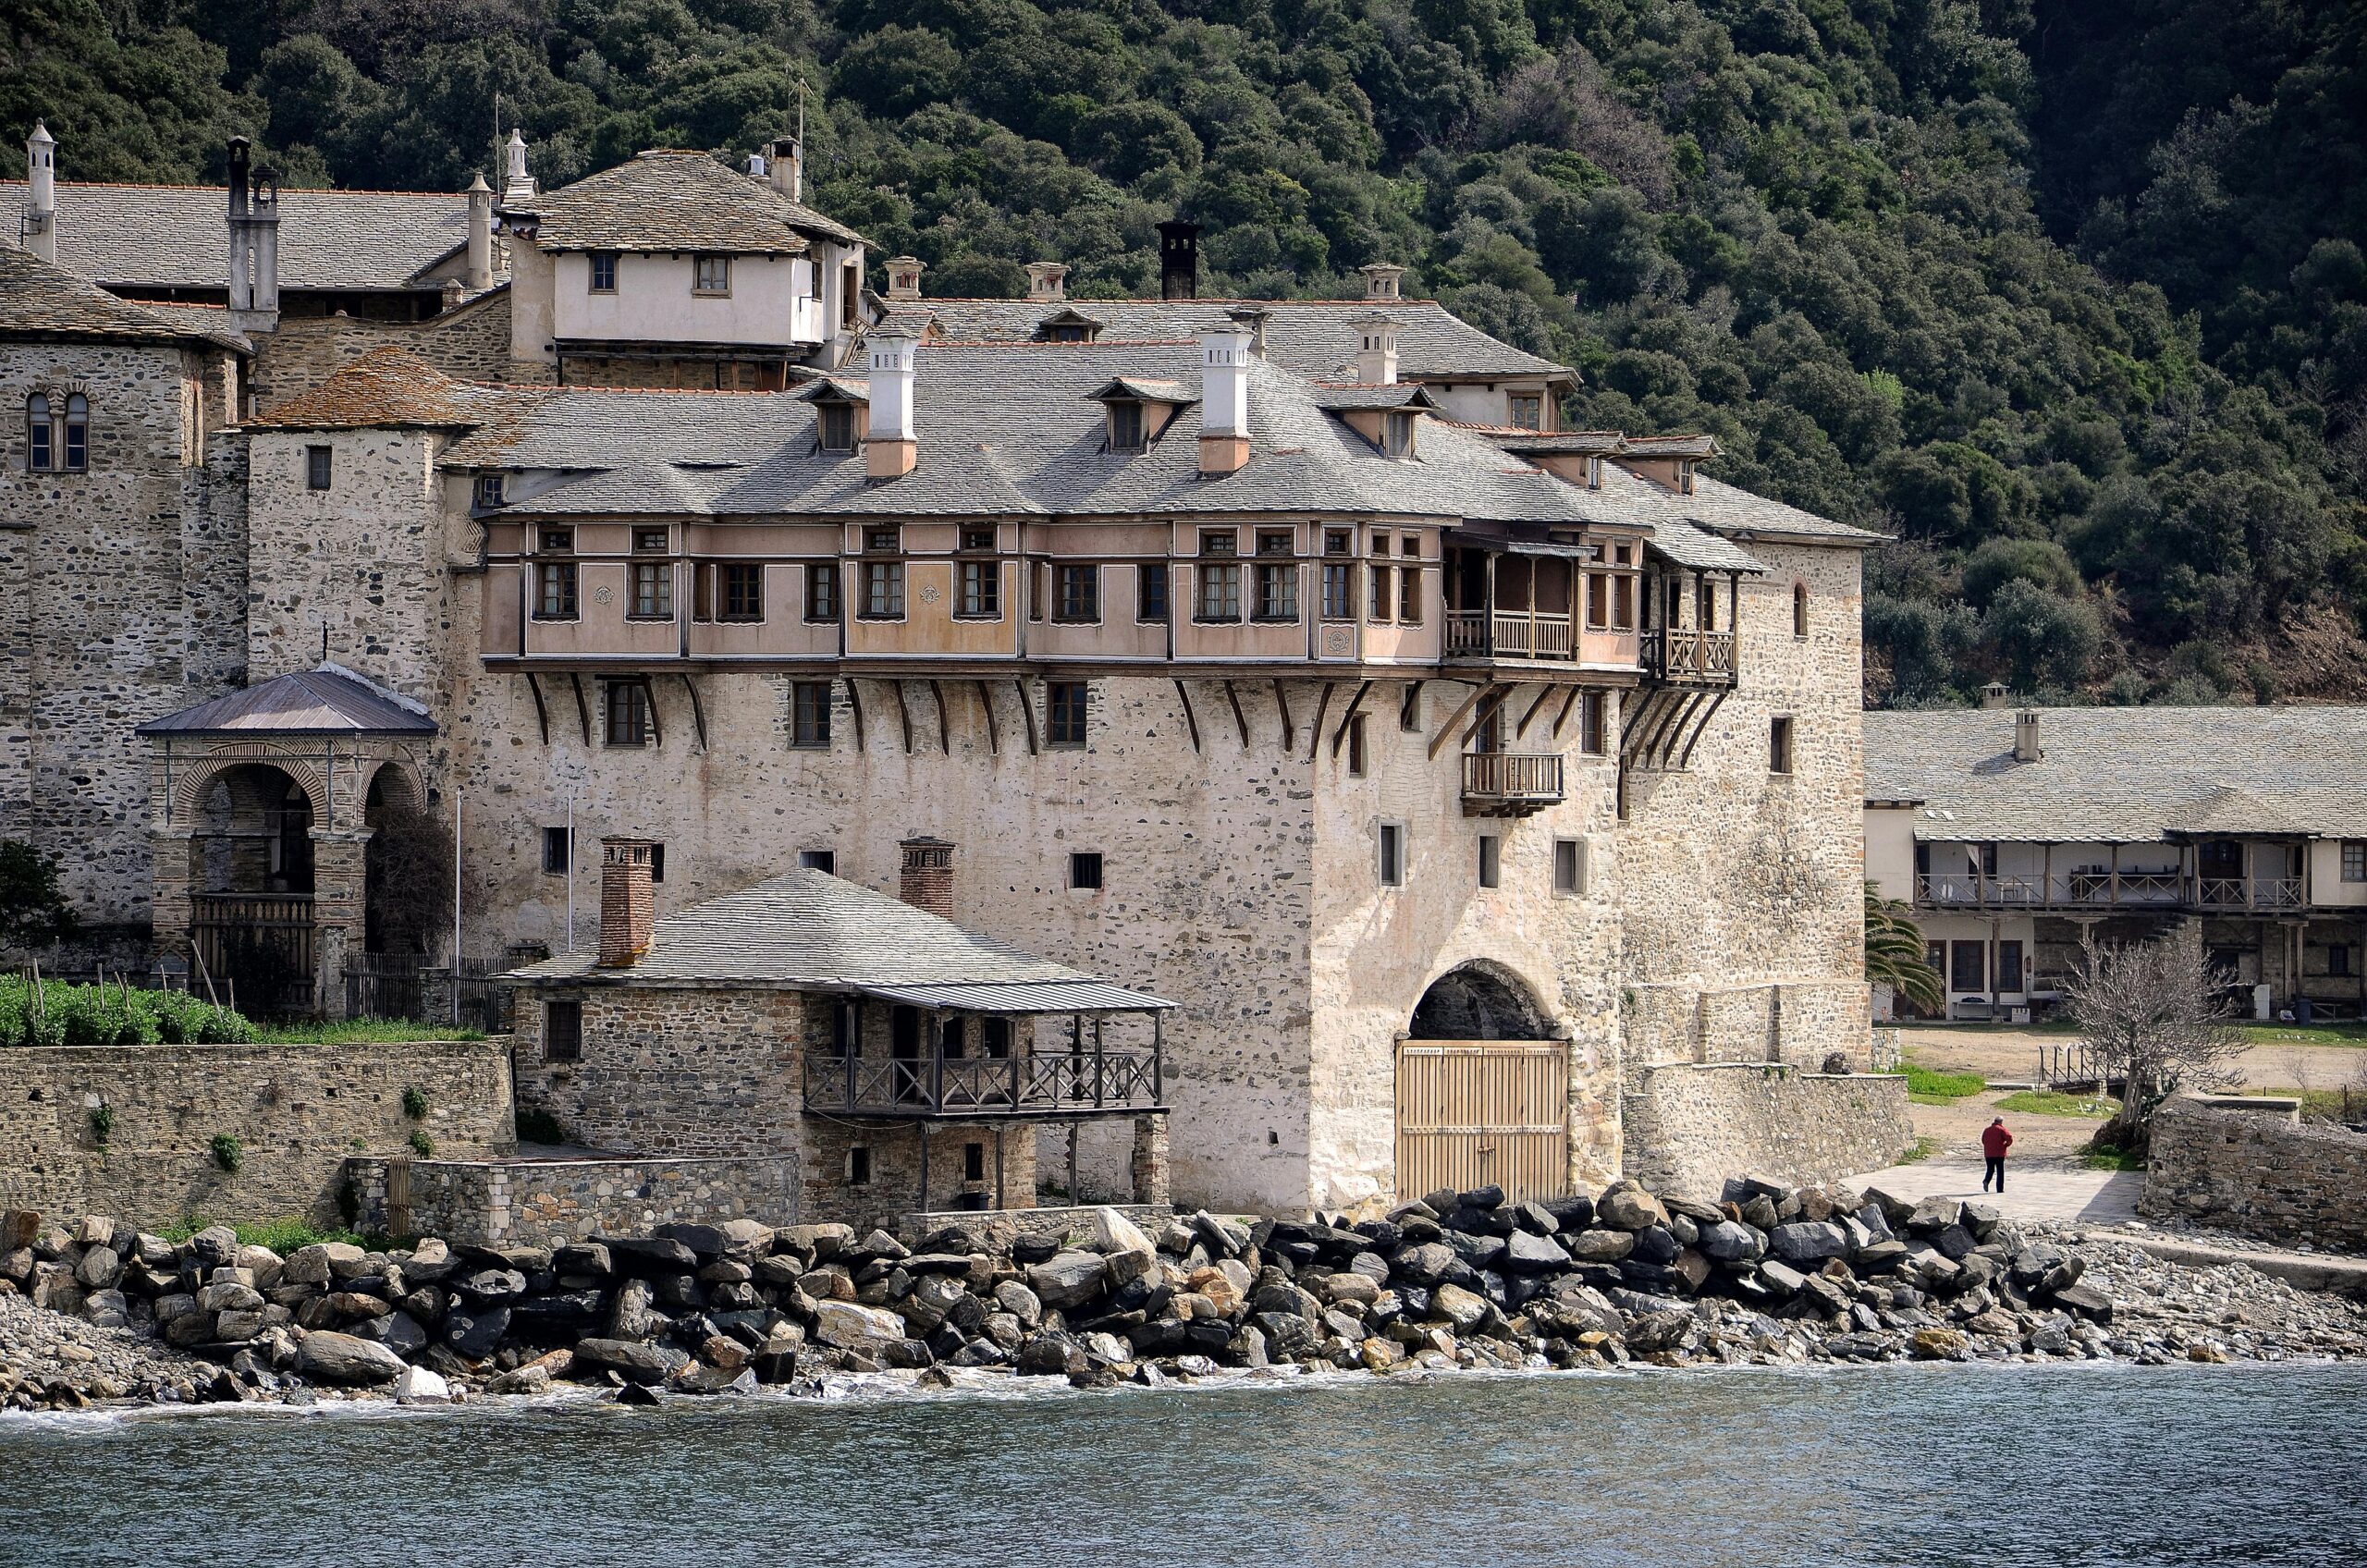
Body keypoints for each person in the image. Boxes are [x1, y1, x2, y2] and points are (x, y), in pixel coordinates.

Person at [1981, 1117, 2014, 1193]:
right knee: (2000, 1171)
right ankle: (1999, 1189)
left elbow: (1983, 1140)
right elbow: (2009, 1138)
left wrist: (1988, 1147)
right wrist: (2006, 1145)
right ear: (2001, 1122)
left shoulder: (1987, 1130)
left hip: (1988, 1154)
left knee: (1990, 1169)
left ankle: (1986, 1181)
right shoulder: (2001, 1129)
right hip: (1999, 1153)